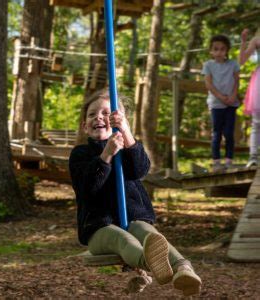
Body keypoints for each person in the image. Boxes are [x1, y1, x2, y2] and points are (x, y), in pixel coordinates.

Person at [69, 89, 202, 296]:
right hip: (98, 228)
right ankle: (152, 264)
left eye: (106, 113)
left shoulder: (127, 149)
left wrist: (127, 135)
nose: (99, 118)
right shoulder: (80, 154)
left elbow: (140, 169)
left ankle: (184, 270)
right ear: (84, 126)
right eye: (92, 114)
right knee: (124, 240)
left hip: (132, 219)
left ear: (118, 120)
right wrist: (106, 155)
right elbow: (88, 187)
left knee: (149, 233)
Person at [202, 34, 240, 172]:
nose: (219, 52)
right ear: (211, 51)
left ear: (227, 50)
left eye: (222, 49)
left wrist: (232, 96)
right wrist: (221, 97)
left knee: (229, 132)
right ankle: (216, 161)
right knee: (217, 133)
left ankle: (229, 160)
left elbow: (236, 81)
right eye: (216, 49)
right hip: (216, 104)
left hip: (231, 103)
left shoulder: (233, 64)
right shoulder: (208, 65)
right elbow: (208, 84)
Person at [239, 28, 260, 167]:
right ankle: (253, 157)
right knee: (257, 123)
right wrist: (243, 42)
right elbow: (241, 61)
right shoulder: (257, 39)